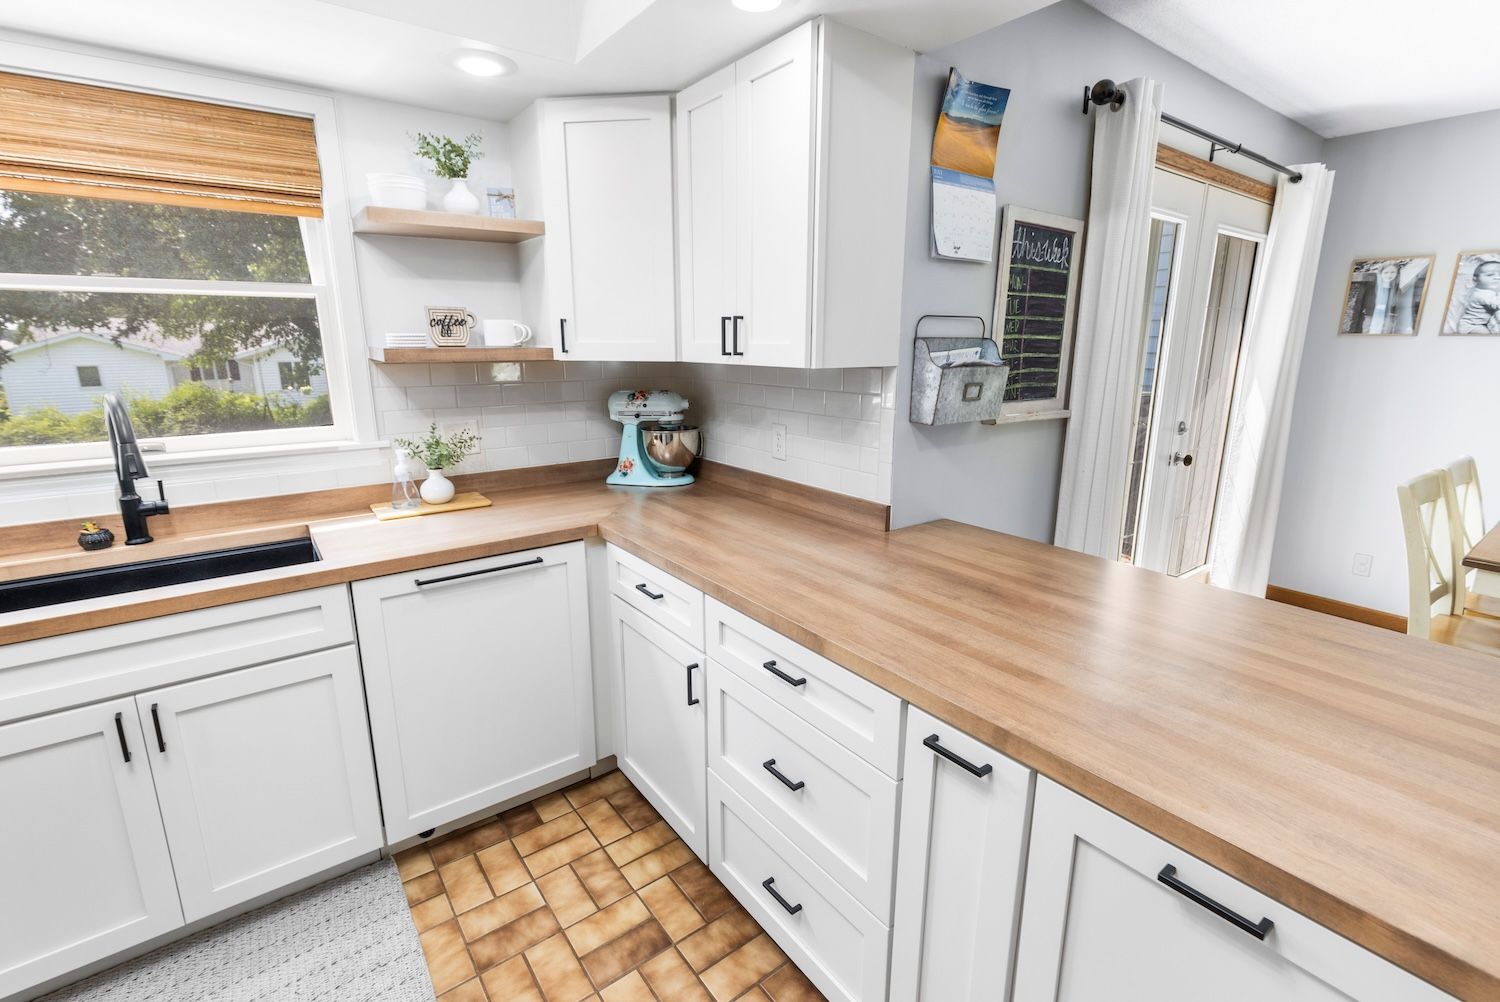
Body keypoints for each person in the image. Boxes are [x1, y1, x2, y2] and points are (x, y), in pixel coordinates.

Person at [1455, 259, 1500, 334]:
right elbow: (1497, 304)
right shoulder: (1480, 295)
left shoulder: (1486, 290)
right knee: (1487, 336)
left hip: (1482, 323)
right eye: (1490, 275)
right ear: (1475, 279)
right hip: (1471, 325)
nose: (1497, 277)